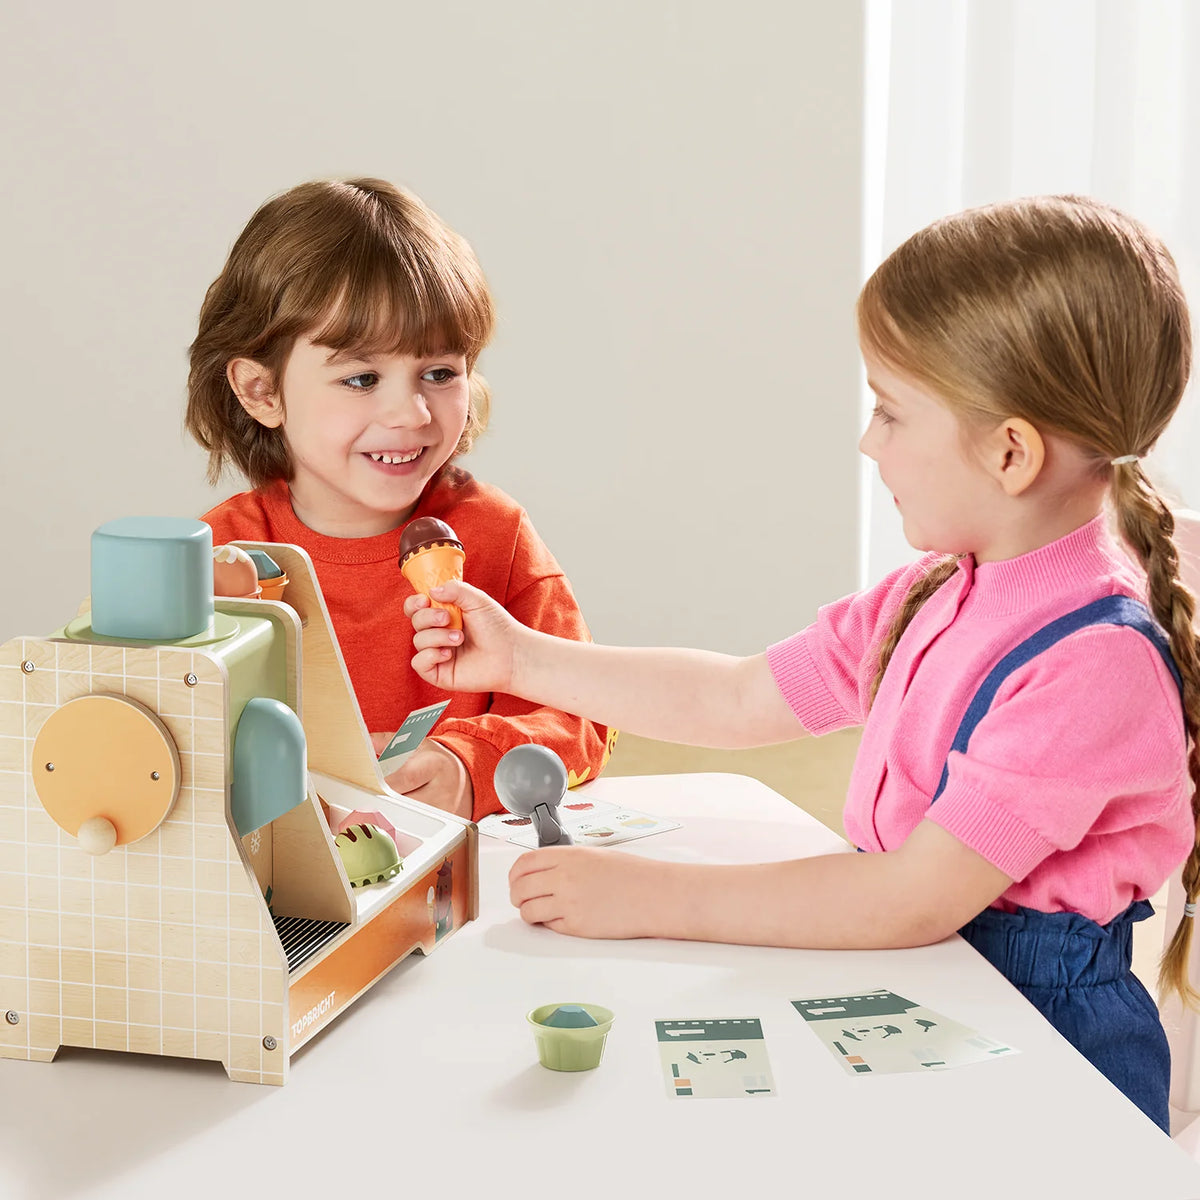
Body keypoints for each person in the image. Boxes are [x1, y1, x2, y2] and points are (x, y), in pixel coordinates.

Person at [403, 195, 1200, 1132]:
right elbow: (740, 697)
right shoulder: (937, 588)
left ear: (1011, 452)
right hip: (934, 991)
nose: (869, 441)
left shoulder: (1094, 663)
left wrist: (649, 896)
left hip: (1045, 1057)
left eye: (890, 412)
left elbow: (910, 898)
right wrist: (523, 658)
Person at [185, 177, 613, 820]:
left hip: (460, 870)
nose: (412, 414)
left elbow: (584, 720)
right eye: (362, 378)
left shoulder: (496, 537)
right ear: (261, 392)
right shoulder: (220, 558)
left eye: (439, 373)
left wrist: (467, 766)